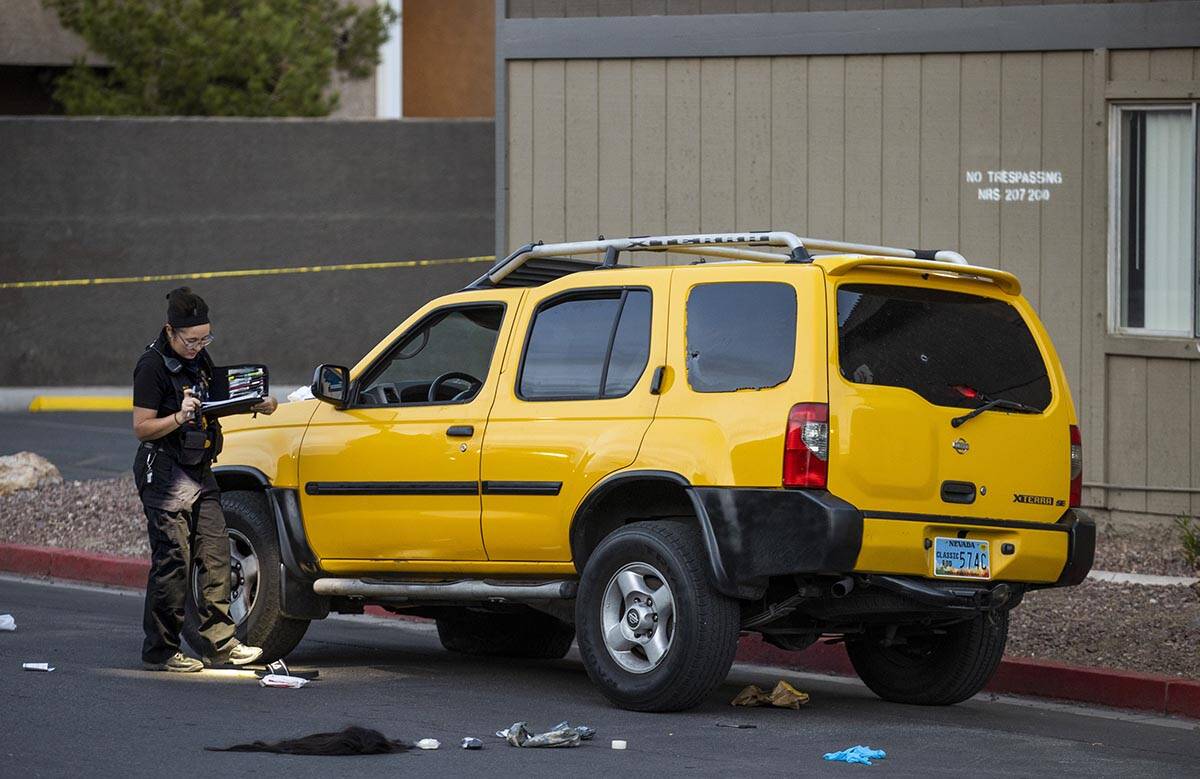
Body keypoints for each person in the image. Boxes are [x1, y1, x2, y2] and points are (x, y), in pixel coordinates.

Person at [131, 287, 277, 672]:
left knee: (215, 555)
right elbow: (142, 428)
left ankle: (219, 645)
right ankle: (160, 650)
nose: (198, 346)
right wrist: (178, 417)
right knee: (173, 561)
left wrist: (255, 403)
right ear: (170, 331)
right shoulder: (152, 366)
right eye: (191, 340)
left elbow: (213, 404)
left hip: (199, 469)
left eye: (204, 338)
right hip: (164, 472)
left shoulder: (200, 360)